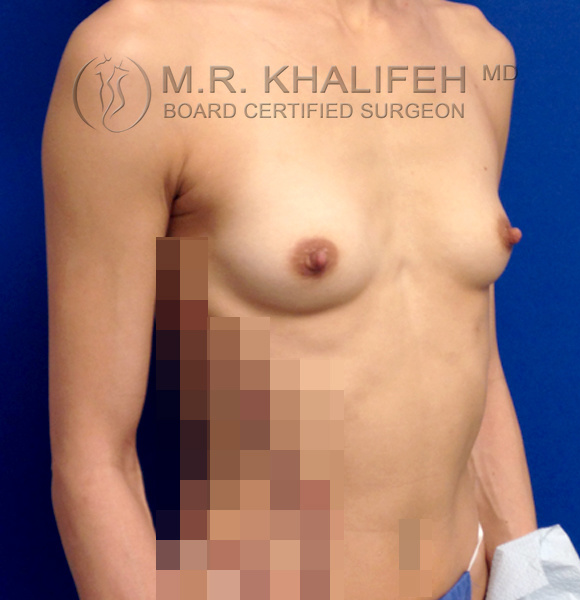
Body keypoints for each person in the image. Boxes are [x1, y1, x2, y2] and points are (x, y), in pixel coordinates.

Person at [42, 0, 538, 598]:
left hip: (473, 584)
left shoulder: (474, 49)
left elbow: (470, 356)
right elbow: (94, 463)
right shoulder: (136, 56)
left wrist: (531, 579)